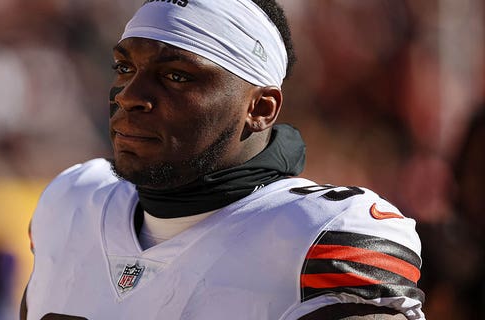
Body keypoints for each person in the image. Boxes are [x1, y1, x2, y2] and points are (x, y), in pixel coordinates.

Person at [21, 0, 425, 319]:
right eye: (124, 67)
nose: (129, 95)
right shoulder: (72, 200)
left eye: (176, 76)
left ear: (261, 108)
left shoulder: (317, 237)